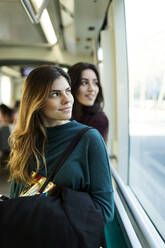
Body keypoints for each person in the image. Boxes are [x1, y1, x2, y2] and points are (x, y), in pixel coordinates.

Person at [8, 65, 114, 240]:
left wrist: (41, 210)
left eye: (68, 91)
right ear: (36, 101)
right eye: (55, 94)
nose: (68, 100)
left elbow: (105, 211)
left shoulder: (89, 139)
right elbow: (16, 198)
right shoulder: (23, 141)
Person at [68, 62, 109, 143]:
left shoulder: (99, 120)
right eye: (84, 83)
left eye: (95, 83)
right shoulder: (64, 113)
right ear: (72, 86)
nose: (92, 89)